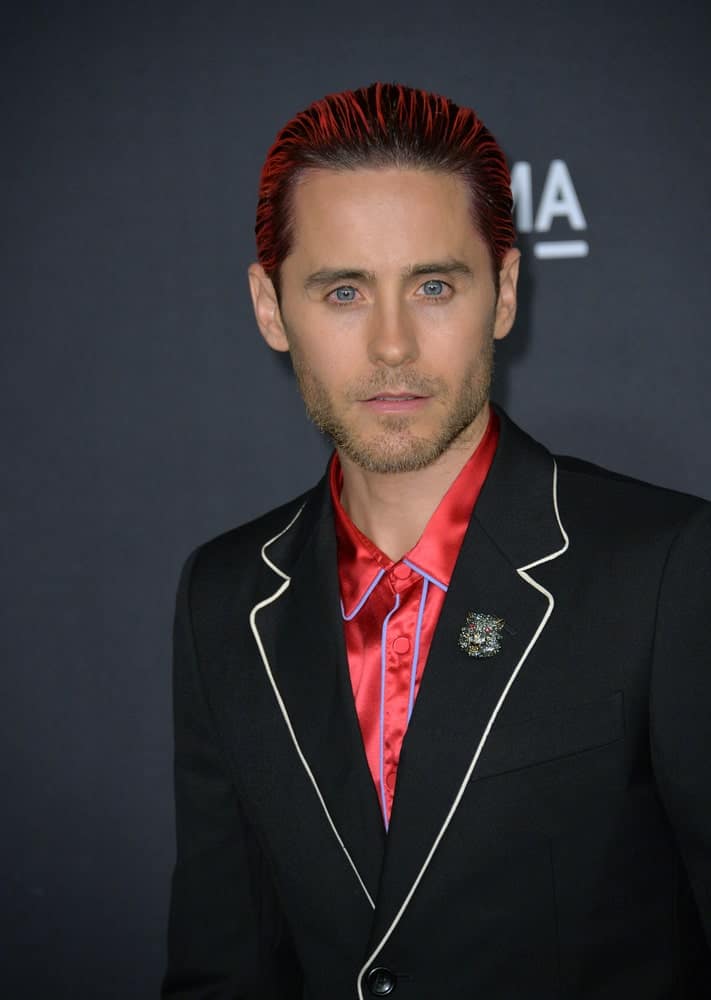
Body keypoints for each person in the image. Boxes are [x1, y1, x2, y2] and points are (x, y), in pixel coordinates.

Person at [162, 83, 711, 999]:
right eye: (343, 290)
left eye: (432, 285)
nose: (390, 345)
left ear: (502, 292)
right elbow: (223, 961)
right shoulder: (223, 596)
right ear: (270, 307)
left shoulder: (667, 567)